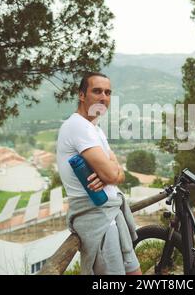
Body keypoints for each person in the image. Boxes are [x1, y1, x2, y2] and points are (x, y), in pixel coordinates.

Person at [56, 72, 142, 275]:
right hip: (100, 222)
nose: (104, 96)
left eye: (108, 92)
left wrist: (112, 174)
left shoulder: (95, 129)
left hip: (111, 217)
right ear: (82, 95)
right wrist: (112, 173)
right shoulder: (78, 126)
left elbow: (116, 175)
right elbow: (113, 175)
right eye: (97, 91)